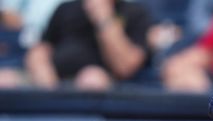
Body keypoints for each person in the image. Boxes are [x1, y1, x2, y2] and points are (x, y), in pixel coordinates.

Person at [24, 0, 153, 91]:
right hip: (55, 82)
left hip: (106, 84)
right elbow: (42, 48)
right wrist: (40, 65)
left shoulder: (135, 12)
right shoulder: (64, 8)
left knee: (92, 79)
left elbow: (126, 67)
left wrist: (103, 18)